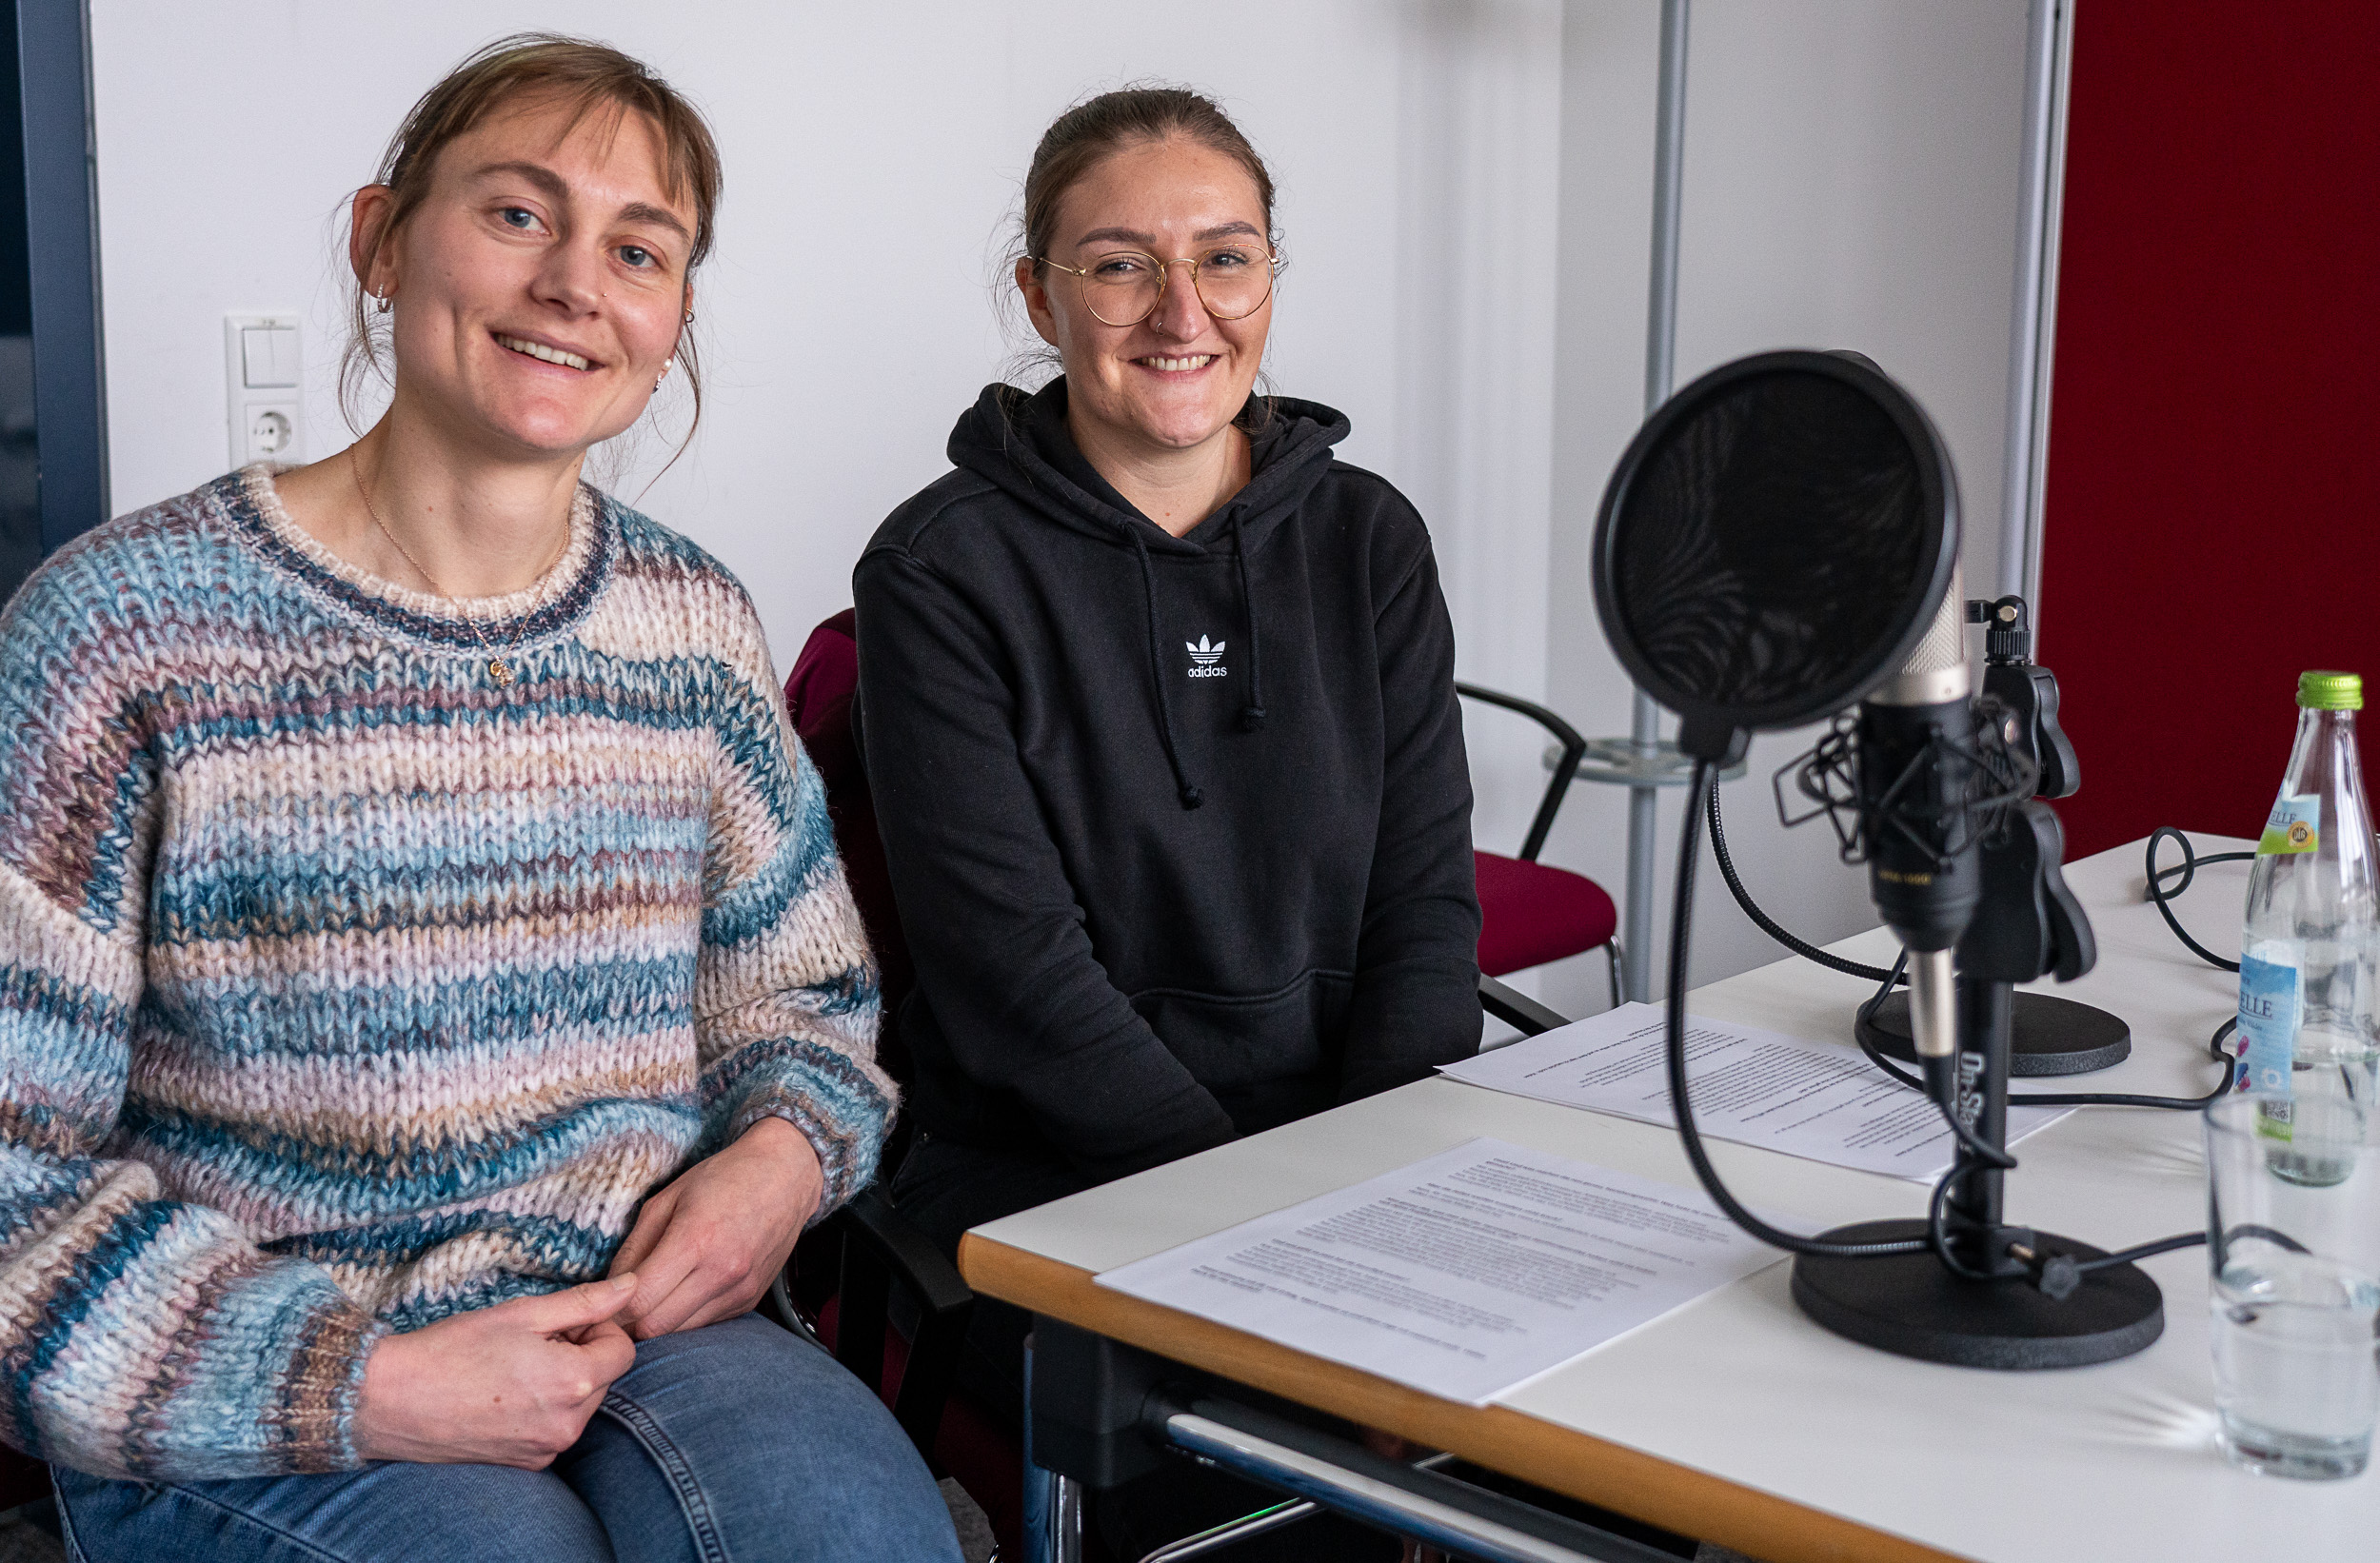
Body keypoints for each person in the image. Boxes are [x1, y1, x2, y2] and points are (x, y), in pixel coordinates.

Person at [0, 34, 960, 1563]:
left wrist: (777, 1162)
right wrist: (366, 1382)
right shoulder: (116, 631)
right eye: (518, 213)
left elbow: (806, 1007)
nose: (575, 282)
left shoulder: (689, 628)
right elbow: (11, 1178)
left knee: (847, 1536)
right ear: (382, 241)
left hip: (644, 1324)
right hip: (239, 1375)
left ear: (673, 317)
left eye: (637, 249)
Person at [855, 87, 1480, 1560]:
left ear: (1269, 278)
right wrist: (1287, 1257)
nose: (1182, 310)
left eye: (1226, 258)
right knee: (1315, 1513)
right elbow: (1020, 988)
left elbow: (1424, 911)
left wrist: (1377, 1208)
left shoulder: (1369, 538)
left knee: (1612, 1456)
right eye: (1121, 263)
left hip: (1353, 1149)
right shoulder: (939, 572)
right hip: (1055, 1168)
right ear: (1040, 295)